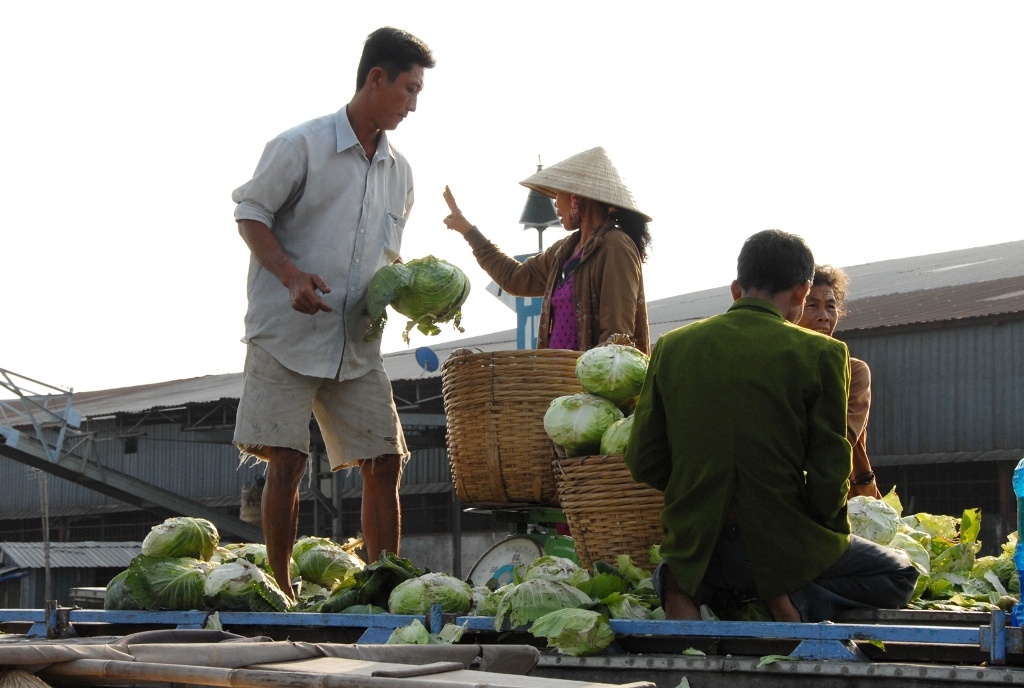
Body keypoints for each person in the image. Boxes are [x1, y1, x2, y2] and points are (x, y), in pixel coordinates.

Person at [230, 27, 435, 599]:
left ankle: (386, 585)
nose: (414, 105)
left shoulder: (401, 172)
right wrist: (291, 275)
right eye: (409, 90)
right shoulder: (302, 145)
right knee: (288, 461)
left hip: (357, 340)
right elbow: (251, 214)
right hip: (287, 333)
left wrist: (413, 293)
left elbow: (386, 260)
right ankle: (281, 589)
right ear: (377, 79)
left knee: (385, 458)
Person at [624, 229, 918, 622]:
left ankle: (680, 586)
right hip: (784, 542)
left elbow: (643, 459)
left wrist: (702, 491)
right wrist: (822, 536)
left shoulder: (673, 347)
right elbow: (830, 471)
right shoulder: (824, 354)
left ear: (736, 289)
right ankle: (792, 599)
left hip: (697, 543)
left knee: (679, 573)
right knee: (899, 573)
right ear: (802, 291)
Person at [442, 147, 652, 354]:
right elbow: (515, 278)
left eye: (558, 193)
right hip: (560, 380)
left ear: (576, 197)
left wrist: (590, 378)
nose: (554, 204)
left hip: (592, 382)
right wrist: (468, 231)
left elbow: (616, 337)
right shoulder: (564, 251)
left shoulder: (616, 247)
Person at [798, 265, 882, 499]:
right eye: (811, 305)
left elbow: (843, 439)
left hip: (850, 498)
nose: (824, 316)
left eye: (831, 306)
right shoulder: (777, 364)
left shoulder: (854, 370)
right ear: (792, 309)